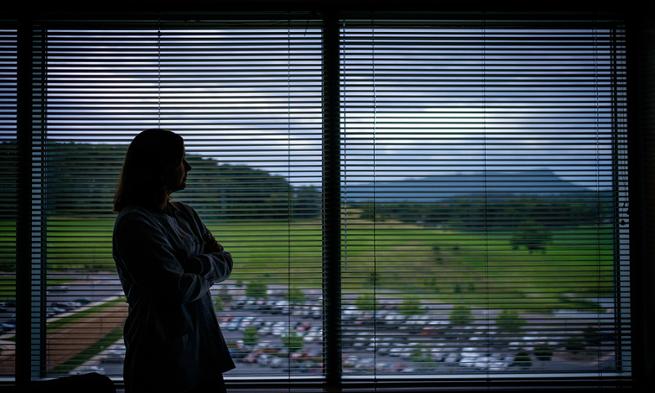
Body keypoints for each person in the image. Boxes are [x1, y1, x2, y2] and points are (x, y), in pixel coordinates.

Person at [112, 129, 235, 393]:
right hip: (159, 355)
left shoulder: (186, 213)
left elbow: (225, 259)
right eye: (181, 159)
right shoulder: (135, 223)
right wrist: (207, 265)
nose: (188, 166)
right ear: (159, 167)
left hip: (202, 348)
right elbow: (175, 290)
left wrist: (194, 266)